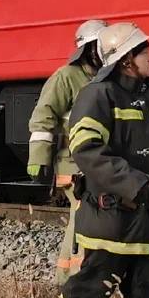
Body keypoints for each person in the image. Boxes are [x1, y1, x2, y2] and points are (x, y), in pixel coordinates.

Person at [47, 22, 149, 298]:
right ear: (124, 60)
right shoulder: (97, 96)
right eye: (143, 52)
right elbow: (86, 149)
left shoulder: (144, 99)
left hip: (148, 219)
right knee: (89, 288)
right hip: (113, 220)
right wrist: (134, 183)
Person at [27, 18, 106, 283]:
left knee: (85, 215)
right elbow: (43, 116)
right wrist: (38, 158)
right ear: (88, 49)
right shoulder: (67, 76)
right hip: (73, 165)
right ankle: (75, 278)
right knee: (85, 213)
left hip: (95, 161)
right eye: (99, 45)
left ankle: (67, 275)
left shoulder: (103, 78)